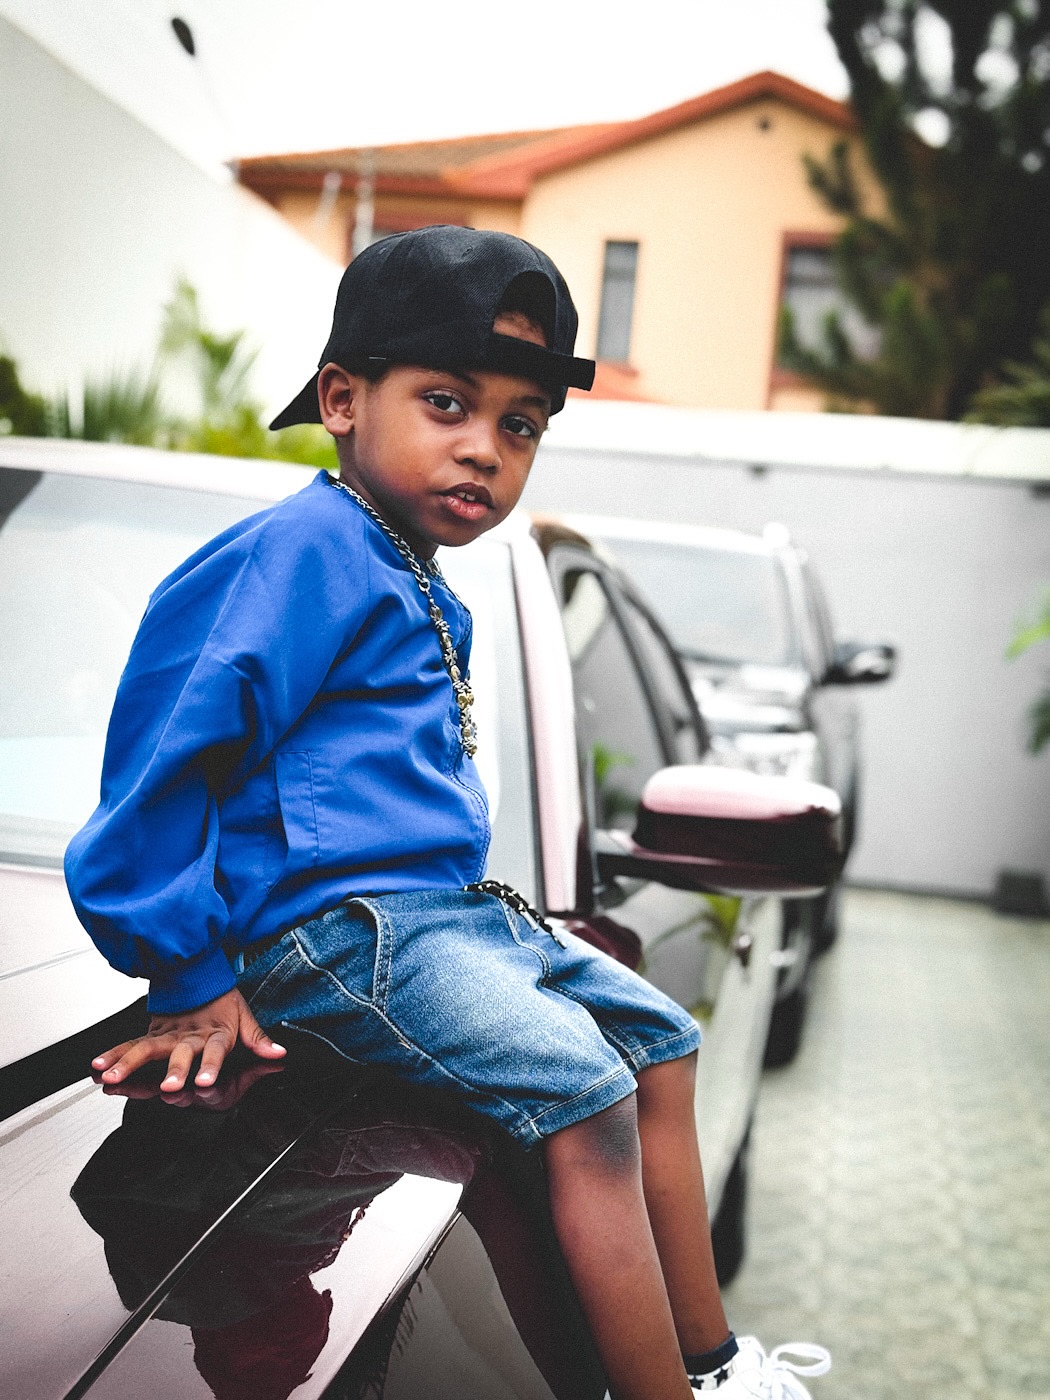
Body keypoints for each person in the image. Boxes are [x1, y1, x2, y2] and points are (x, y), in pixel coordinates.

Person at [66, 226, 830, 1400]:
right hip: (343, 935)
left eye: (521, 424)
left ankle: (716, 1365)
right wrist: (188, 970)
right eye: (446, 403)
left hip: (445, 919)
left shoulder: (415, 573)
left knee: (664, 1045)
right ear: (342, 399)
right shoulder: (301, 551)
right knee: (588, 1091)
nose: (484, 447)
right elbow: (167, 753)